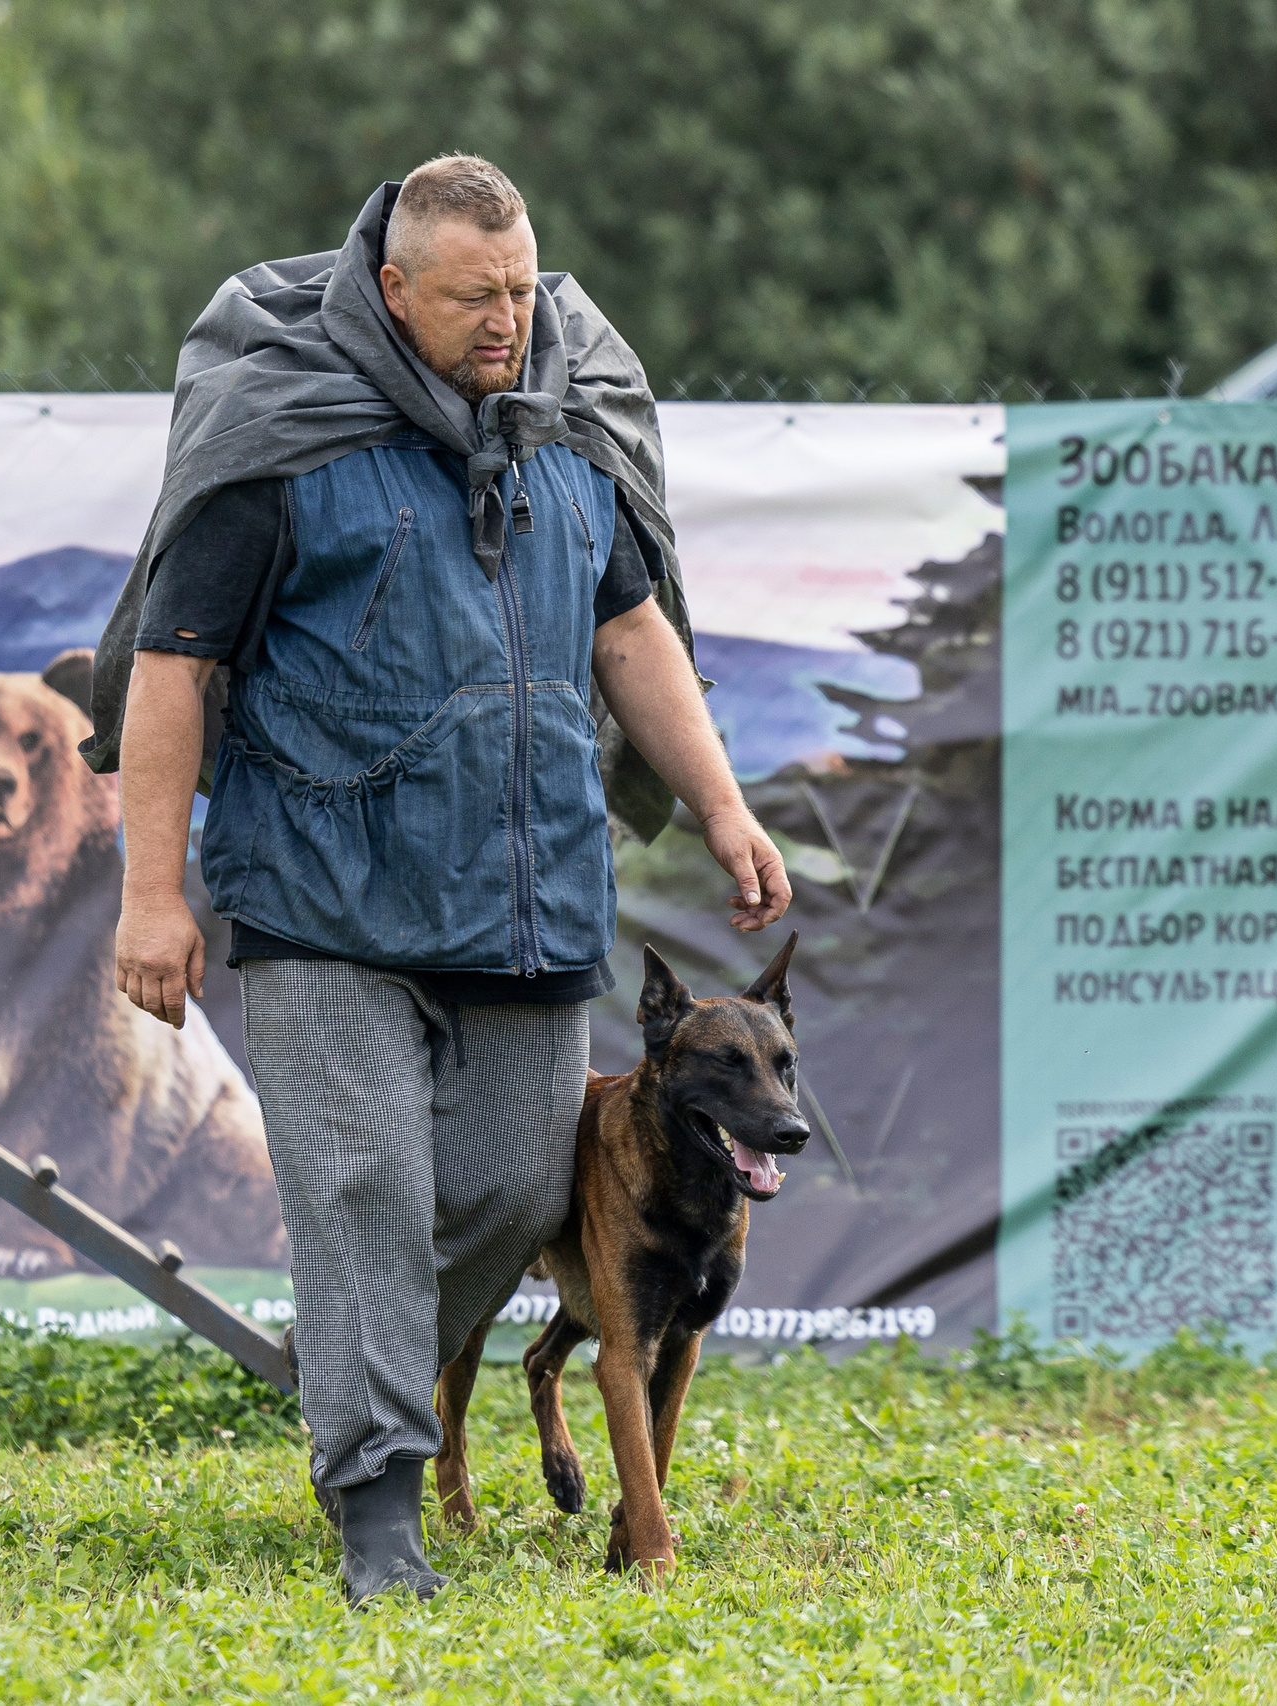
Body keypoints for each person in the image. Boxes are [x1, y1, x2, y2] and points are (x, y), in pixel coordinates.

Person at [91, 154, 790, 1604]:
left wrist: (722, 807)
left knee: (502, 1189)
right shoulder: (280, 435)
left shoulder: (567, 432)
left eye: (525, 289)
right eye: (474, 296)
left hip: (522, 904)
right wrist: (151, 891)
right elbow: (174, 671)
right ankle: (377, 1507)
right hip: (321, 898)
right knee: (363, 1185)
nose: (507, 323)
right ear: (393, 288)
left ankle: (366, 1385)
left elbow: (634, 636)